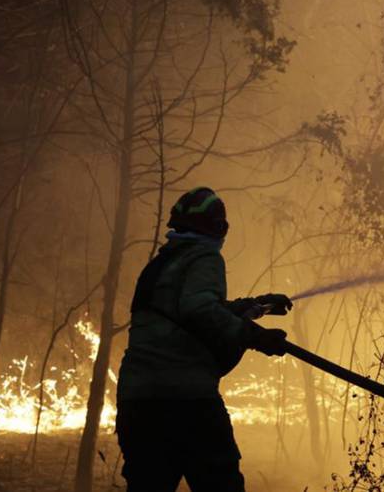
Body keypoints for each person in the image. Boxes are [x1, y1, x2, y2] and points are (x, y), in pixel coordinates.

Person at [115, 186, 293, 491]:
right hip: (188, 403)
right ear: (217, 228)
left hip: (138, 405)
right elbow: (199, 309)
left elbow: (187, 310)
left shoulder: (160, 266)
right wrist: (256, 337)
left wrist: (256, 305)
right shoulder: (204, 257)